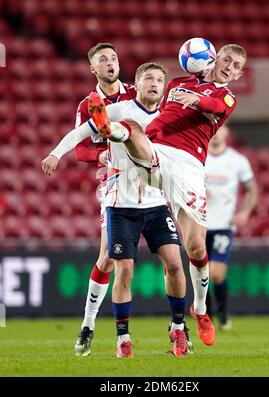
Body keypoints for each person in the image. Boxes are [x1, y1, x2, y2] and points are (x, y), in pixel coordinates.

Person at [88, 43, 248, 347]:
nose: (230, 66)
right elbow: (155, 107)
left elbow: (212, 108)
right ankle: (107, 128)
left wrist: (196, 99)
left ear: (238, 74)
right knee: (133, 129)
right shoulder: (177, 83)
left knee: (196, 247)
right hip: (158, 154)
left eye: (236, 66)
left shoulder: (225, 96)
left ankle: (199, 310)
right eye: (227, 59)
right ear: (216, 57)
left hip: (189, 167)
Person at [41, 62, 193, 358]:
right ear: (137, 83)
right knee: (123, 270)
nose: (154, 83)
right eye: (148, 78)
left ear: (164, 87)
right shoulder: (118, 109)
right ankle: (123, 338)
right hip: (120, 205)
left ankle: (178, 327)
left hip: (155, 202)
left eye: (159, 79)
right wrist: (55, 153)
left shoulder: (168, 117)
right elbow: (80, 134)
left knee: (175, 263)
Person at [44, 42, 136, 357]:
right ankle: (88, 325)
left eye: (113, 57)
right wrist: (106, 152)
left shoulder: (138, 93)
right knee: (109, 257)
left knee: (170, 253)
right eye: (102, 60)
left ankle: (179, 326)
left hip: (151, 182)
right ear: (92, 69)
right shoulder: (89, 105)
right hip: (113, 182)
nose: (110, 62)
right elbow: (83, 148)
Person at [205, 125, 258, 330]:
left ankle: (223, 313)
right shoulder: (198, 157)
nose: (217, 133)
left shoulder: (237, 160)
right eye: (214, 129)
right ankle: (206, 317)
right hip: (199, 224)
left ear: (227, 133)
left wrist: (244, 211)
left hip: (223, 225)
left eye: (221, 129)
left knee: (216, 273)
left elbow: (252, 189)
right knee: (202, 275)